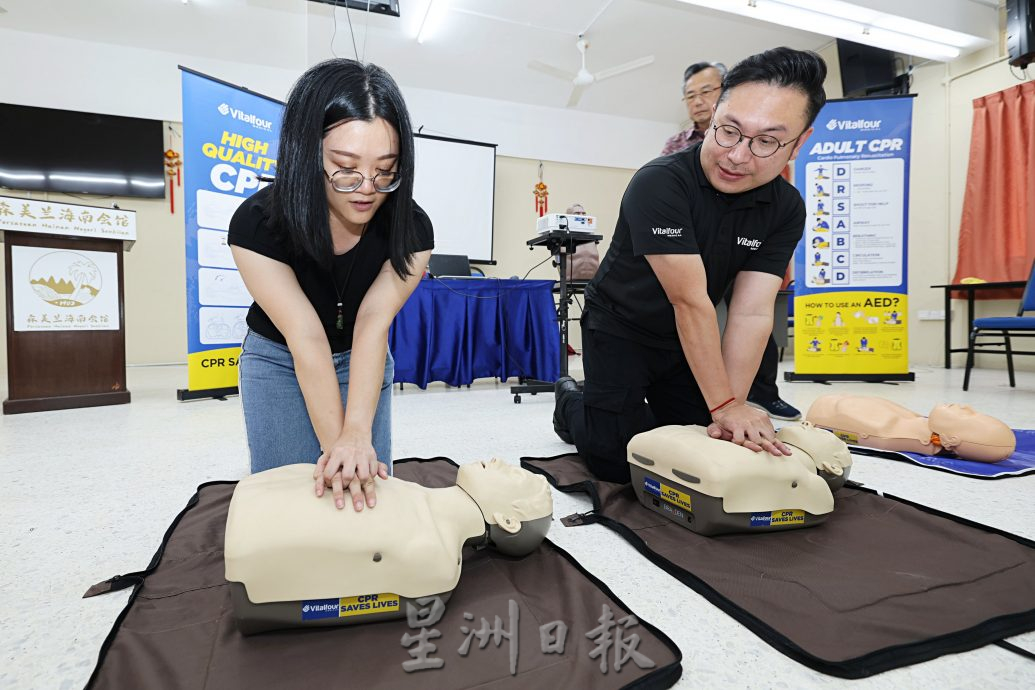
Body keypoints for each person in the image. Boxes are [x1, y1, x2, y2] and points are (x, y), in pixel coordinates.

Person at [553, 47, 826, 483]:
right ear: (715, 114)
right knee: (618, 461)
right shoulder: (660, 182)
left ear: (800, 142)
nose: (738, 155)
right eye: (730, 130)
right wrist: (724, 407)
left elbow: (752, 311)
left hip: (686, 342)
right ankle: (570, 402)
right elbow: (690, 301)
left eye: (767, 141)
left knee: (697, 439)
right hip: (619, 325)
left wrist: (729, 409)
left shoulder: (786, 208)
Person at [229, 59, 433, 511]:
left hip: (364, 356)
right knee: (291, 504)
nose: (366, 188)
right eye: (344, 167)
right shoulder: (258, 225)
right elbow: (304, 337)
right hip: (280, 358)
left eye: (386, 169)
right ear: (307, 153)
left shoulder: (412, 230)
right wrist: (338, 452)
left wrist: (356, 435)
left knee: (367, 500)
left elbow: (373, 324)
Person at [660, 58, 802, 422]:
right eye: (689, 95)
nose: (697, 100)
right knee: (693, 312)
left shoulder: (768, 149)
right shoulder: (676, 146)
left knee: (755, 312)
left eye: (706, 91)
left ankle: (763, 392)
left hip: (743, 241)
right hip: (693, 247)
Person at [806, 395, 1016, 462]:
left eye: (969, 417)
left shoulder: (883, 431)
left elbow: (839, 409)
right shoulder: (914, 421)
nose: (966, 407)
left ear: (950, 439)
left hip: (823, 409)